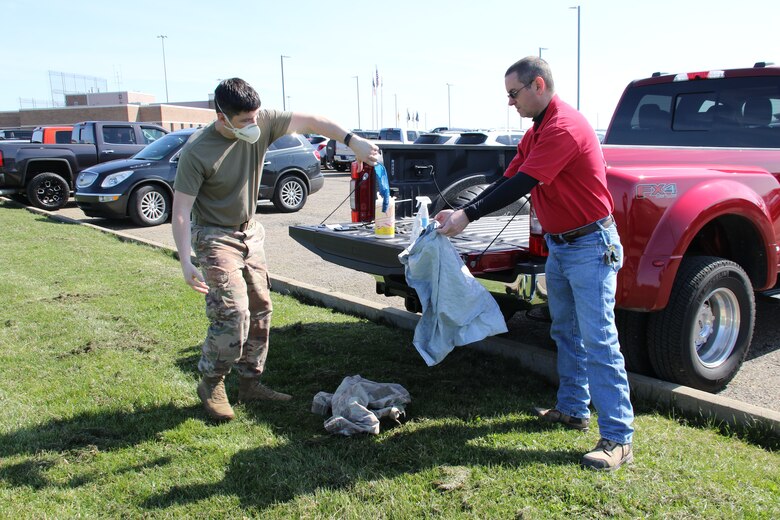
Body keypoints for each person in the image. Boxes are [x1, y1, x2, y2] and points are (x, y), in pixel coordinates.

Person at [435, 57, 635, 471]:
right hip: (562, 247)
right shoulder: (538, 129)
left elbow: (524, 184)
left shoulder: (563, 128)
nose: (510, 102)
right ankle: (574, 409)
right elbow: (507, 179)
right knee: (565, 331)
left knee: (599, 340)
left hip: (590, 246)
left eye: (513, 93)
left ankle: (618, 438)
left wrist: (466, 218)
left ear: (537, 84)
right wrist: (457, 209)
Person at [173, 78, 380, 421]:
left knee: (261, 306)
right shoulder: (198, 150)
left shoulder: (263, 121)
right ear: (222, 118)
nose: (254, 126)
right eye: (245, 122)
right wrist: (185, 260)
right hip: (214, 235)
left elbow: (314, 120)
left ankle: (251, 383)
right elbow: (180, 212)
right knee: (233, 312)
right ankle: (212, 382)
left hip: (249, 232)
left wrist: (352, 140)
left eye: (256, 118)